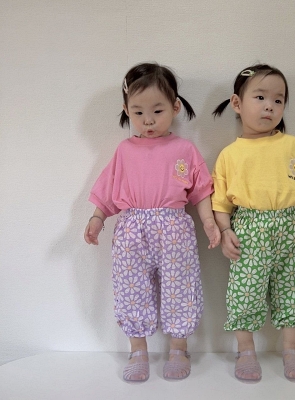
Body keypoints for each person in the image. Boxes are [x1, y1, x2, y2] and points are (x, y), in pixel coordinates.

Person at [84, 62, 220, 382]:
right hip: (132, 230)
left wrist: (210, 222)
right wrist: (97, 217)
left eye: (157, 111)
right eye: (138, 112)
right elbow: (108, 188)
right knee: (131, 287)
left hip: (175, 229)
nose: (148, 120)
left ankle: (178, 349)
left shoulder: (184, 149)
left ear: (175, 107)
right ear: (126, 110)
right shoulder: (125, 151)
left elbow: (201, 190)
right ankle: (138, 351)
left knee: (179, 286)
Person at [211, 64, 295, 383]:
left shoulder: (293, 147)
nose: (269, 106)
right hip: (249, 231)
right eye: (261, 97)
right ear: (237, 103)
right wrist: (224, 230)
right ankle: (245, 350)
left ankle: (291, 349)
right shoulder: (230, 155)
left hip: (293, 229)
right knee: (245, 290)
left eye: (278, 100)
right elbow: (220, 202)